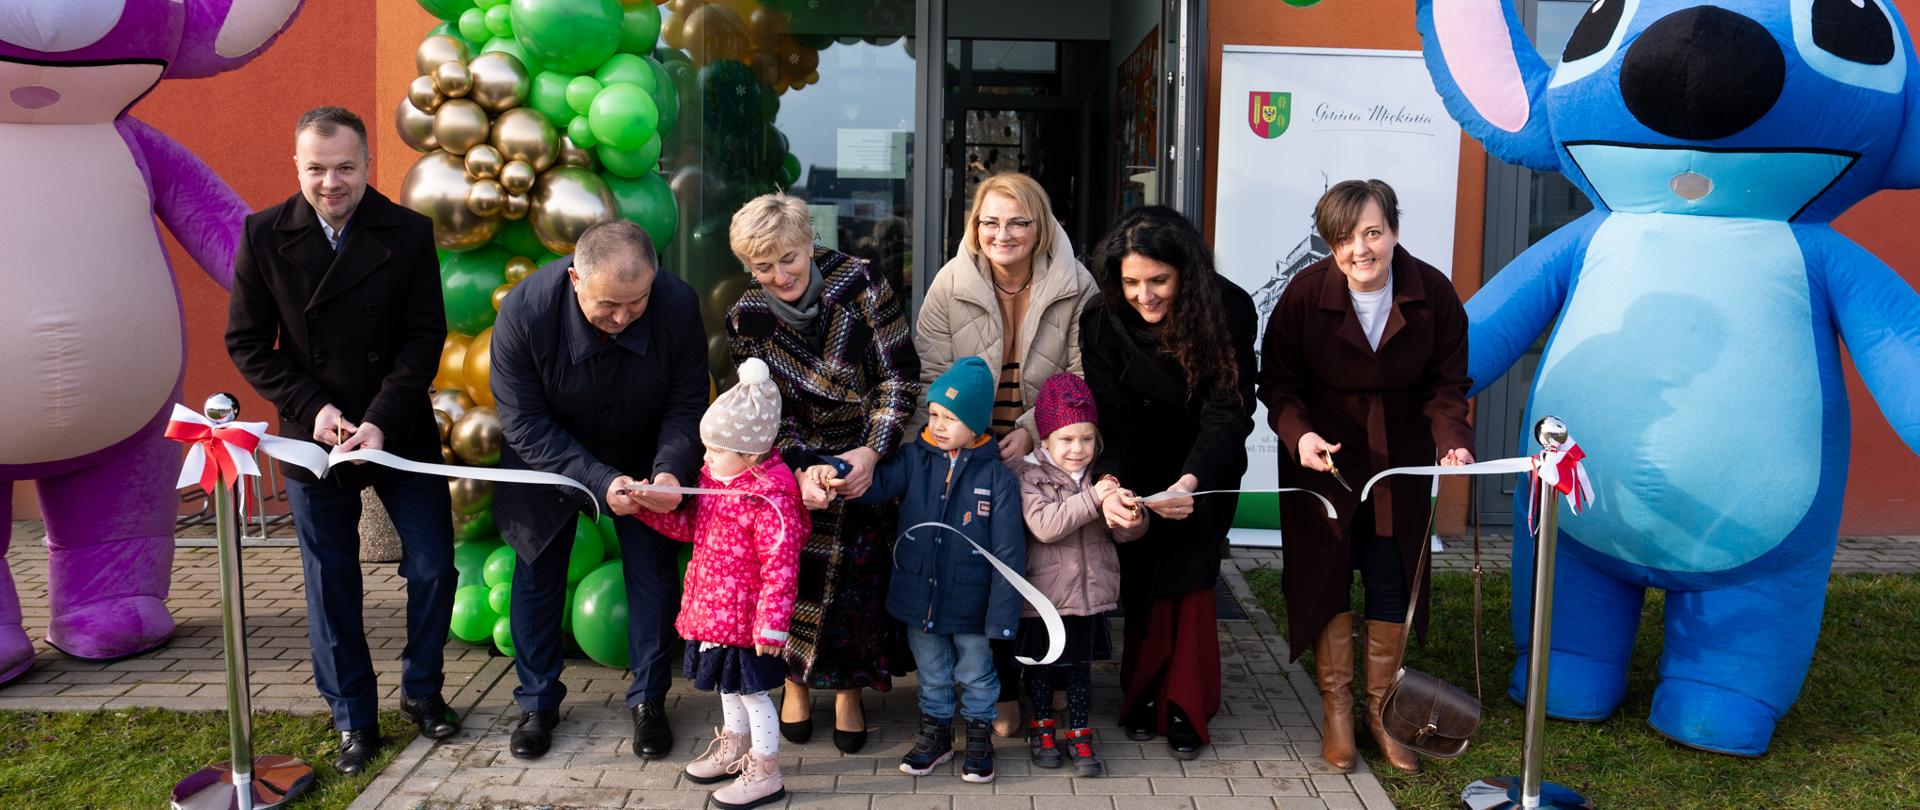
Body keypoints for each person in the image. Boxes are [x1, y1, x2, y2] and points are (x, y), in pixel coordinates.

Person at [225, 106, 459, 775]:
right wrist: (317, 409)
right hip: (313, 436)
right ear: (297, 166)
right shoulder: (263, 234)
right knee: (331, 583)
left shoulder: (408, 232)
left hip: (399, 429)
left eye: (346, 168)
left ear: (367, 165)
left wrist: (380, 420)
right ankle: (353, 717)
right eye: (318, 169)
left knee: (435, 567)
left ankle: (423, 691)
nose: (332, 182)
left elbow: (422, 338)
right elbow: (247, 343)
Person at [1254, 179, 1473, 776]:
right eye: (1344, 238)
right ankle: (1338, 712)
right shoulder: (1303, 296)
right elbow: (1277, 385)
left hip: (1398, 459)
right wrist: (1300, 436)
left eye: (1372, 233)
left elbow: (1447, 385)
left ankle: (1383, 712)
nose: (1360, 249)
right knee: (1327, 576)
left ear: (1394, 231)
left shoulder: (1433, 292)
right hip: (1324, 460)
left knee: (1390, 573)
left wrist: (1452, 443)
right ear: (1330, 243)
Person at [489, 219, 708, 761]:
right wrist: (598, 479)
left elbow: (686, 405)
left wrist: (669, 471)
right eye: (609, 305)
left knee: (653, 576)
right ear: (574, 280)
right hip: (549, 455)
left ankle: (650, 701)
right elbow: (523, 423)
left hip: (644, 450)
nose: (623, 317)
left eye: (636, 304)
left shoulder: (678, 305)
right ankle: (538, 703)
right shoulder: (524, 311)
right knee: (537, 568)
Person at [724, 193, 922, 754]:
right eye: (764, 266)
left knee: (859, 585)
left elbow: (898, 376)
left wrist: (871, 454)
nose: (780, 274)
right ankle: (794, 684)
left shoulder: (862, 283)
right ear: (748, 268)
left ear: (809, 244)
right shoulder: (746, 317)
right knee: (791, 581)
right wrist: (800, 469)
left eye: (789, 257)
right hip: (796, 466)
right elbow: (760, 411)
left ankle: (848, 693)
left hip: (863, 458)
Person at [913, 172, 1097, 735]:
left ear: (1039, 226)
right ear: (975, 226)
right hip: (972, 450)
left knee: (1049, 564)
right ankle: (1002, 687)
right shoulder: (949, 285)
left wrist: (1031, 432)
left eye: (1018, 221)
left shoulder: (1077, 284)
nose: (1004, 233)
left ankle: (1055, 675)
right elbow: (931, 375)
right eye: (990, 222)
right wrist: (979, 441)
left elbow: (1082, 373)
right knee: (983, 566)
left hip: (1049, 446)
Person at [1080, 205, 1257, 760]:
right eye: (1131, 281)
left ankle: (1187, 703)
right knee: (1142, 575)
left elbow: (1230, 410)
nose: (1145, 294)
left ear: (1186, 273)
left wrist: (1191, 482)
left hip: (1207, 458)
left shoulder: (1229, 307)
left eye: (1159, 280)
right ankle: (1144, 697)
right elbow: (1116, 418)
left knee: (1192, 574)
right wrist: (1115, 488)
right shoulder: (1101, 319)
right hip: (1136, 456)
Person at [800, 357, 1025, 784]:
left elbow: (1009, 554)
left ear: (976, 424)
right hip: (919, 595)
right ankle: (936, 734)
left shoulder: (997, 477)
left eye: (951, 418)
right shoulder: (913, 458)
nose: (938, 425)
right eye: (935, 414)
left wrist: (1002, 615)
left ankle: (979, 737)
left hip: (972, 602)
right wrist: (837, 469)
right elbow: (876, 485)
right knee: (933, 673)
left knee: (976, 671)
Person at [636, 358, 807, 810]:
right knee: (728, 688)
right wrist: (646, 509)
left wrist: (772, 626)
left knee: (753, 693)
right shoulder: (718, 482)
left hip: (748, 622)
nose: (705, 458)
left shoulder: (770, 500)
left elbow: (781, 567)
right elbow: (693, 527)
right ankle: (733, 748)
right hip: (716, 612)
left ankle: (766, 770)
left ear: (750, 454)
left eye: (714, 450)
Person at [1009, 373, 1149, 776]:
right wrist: (1095, 497)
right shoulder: (1029, 476)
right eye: (1067, 440)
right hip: (1045, 599)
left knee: (1081, 671)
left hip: (1089, 597)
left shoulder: (1102, 478)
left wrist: (1131, 517)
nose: (1077, 449)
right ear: (1045, 440)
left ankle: (1080, 732)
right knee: (1041, 668)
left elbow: (1123, 535)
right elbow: (1045, 526)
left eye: (1086, 439)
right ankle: (1042, 729)